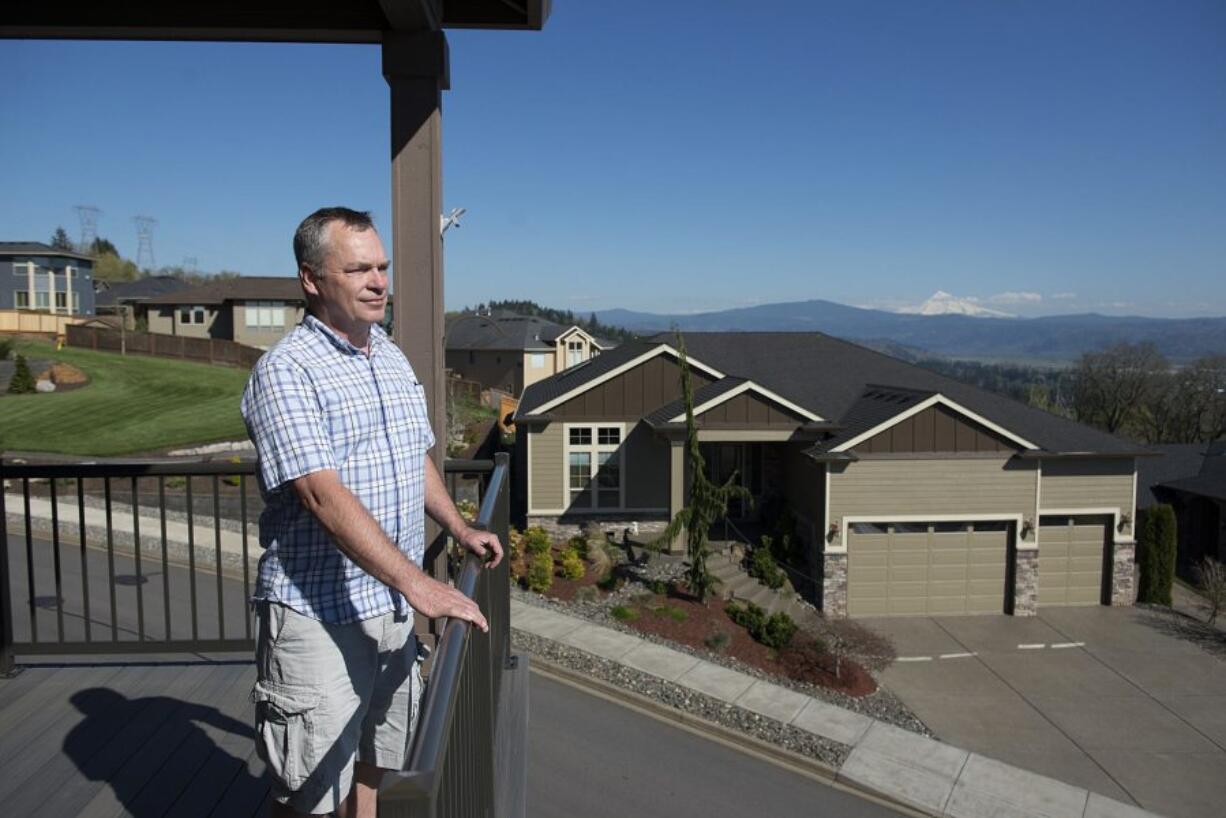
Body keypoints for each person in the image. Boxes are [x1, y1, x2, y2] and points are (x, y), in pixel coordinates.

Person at [241, 206, 502, 818]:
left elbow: (413, 459)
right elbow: (320, 496)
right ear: (312, 279)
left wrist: (459, 528)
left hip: (387, 611)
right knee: (308, 792)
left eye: (381, 266)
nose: (379, 281)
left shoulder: (385, 353)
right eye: (358, 268)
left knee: (374, 767)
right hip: (317, 618)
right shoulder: (286, 371)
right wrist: (418, 584)